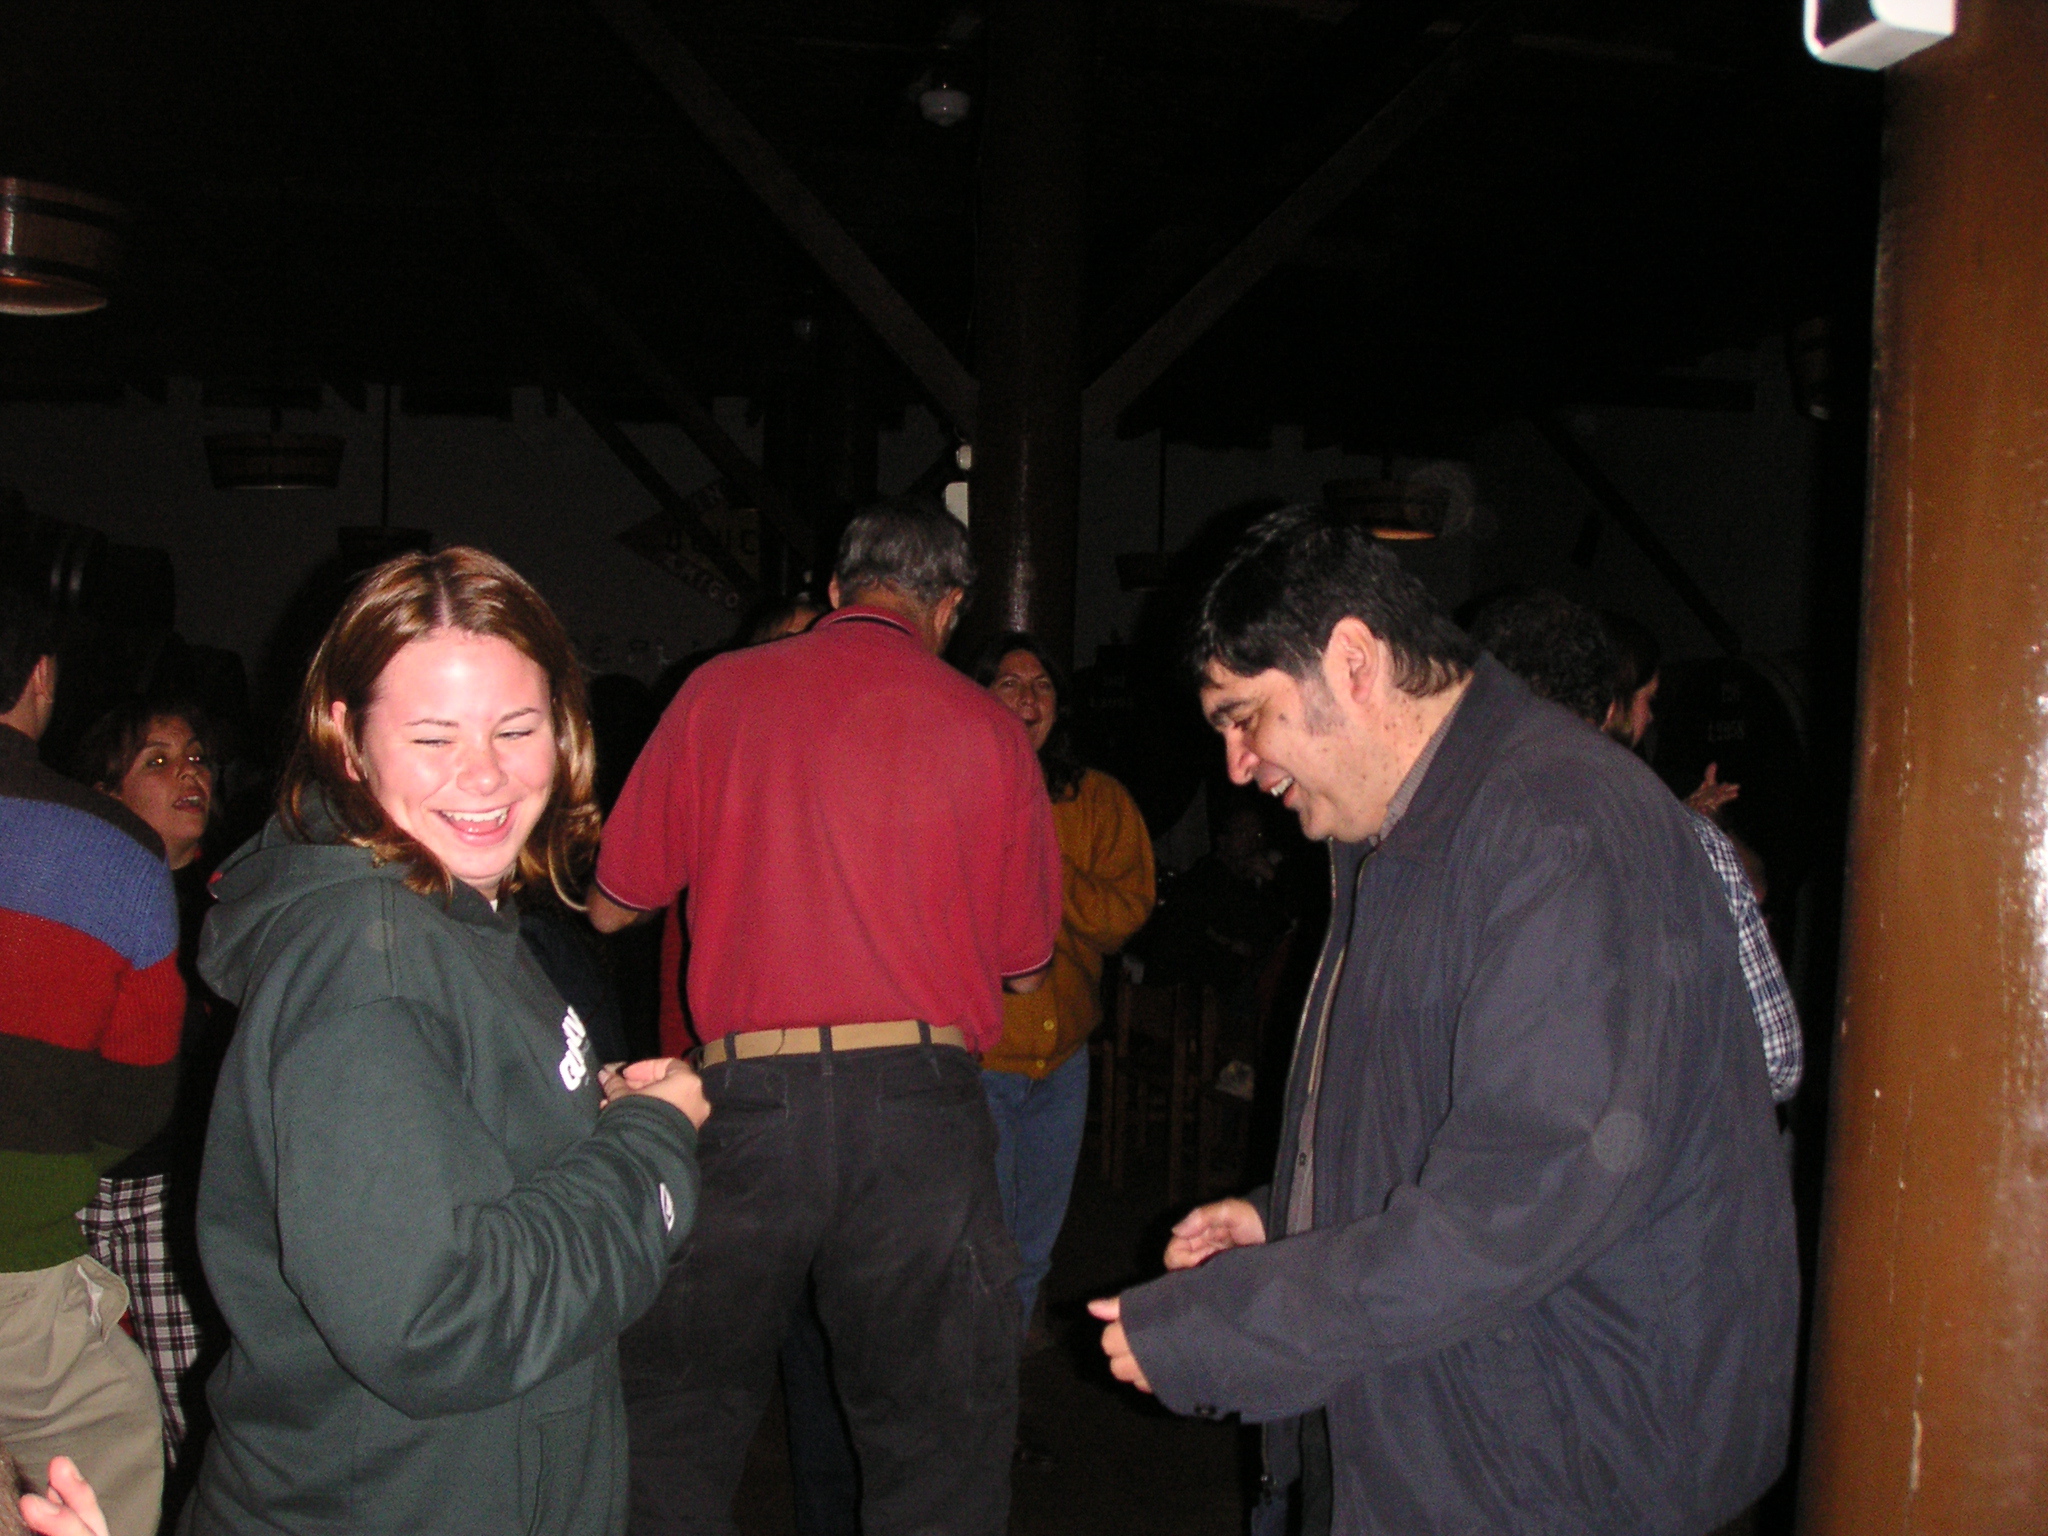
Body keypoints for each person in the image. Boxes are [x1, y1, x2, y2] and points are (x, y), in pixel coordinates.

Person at [1089, 506, 1798, 1535]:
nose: (1237, 764)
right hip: (1459, 1420)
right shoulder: (1416, 824)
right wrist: (1290, 1210)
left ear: (1352, 662)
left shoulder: (1557, 826)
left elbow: (1520, 1195)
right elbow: (1432, 1115)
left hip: (1565, 1460)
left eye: (1244, 715)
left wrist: (1226, 1328)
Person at [180, 547, 708, 1536]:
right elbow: (438, 1324)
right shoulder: (365, 958)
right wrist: (647, 1148)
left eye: (517, 728)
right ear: (344, 735)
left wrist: (580, 1114)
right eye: (431, 736)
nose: (485, 776)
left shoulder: (447, 901)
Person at [589, 499, 1062, 1536]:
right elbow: (1028, 972)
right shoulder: (986, 728)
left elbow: (613, 901)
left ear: (840, 589)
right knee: (937, 1445)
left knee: (674, 1418)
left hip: (744, 1105)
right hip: (921, 1116)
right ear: (946, 606)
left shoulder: (718, 692)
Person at [0, 587, 184, 1536]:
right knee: (104, 1456)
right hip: (20, 1276)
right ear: (40, 681)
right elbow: (141, 1090)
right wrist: (43, 1186)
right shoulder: (112, 852)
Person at [1468, 589, 1801, 1102]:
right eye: (1646, 699)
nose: (1648, 720)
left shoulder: (1445, 832)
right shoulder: (1679, 840)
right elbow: (1777, 1058)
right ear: (1608, 702)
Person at [974, 633, 1155, 1347]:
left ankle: (1004, 1398)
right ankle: (975, 1404)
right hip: (981, 1061)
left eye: (1041, 683)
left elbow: (1124, 915)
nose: (1026, 697)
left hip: (1065, 1065)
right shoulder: (952, 790)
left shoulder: (1096, 799)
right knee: (981, 1250)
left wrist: (1045, 865)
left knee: (1033, 1251)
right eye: (1008, 682)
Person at [69, 702, 224, 1471]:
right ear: (106, 795)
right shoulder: (74, 903)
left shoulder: (236, 908)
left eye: (195, 757)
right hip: (72, 1190)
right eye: (157, 762)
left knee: (191, 1410)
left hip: (174, 1193)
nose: (187, 772)